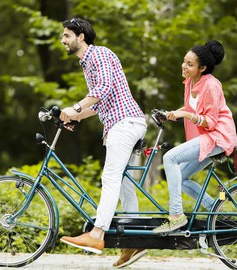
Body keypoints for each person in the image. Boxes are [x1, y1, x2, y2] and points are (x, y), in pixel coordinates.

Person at [58, 18, 147, 267]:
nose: (63, 40)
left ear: (81, 36)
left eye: (66, 35)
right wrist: (75, 115)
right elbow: (97, 103)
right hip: (125, 122)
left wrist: (75, 106)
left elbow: (104, 88)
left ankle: (97, 235)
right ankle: (135, 241)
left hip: (124, 122)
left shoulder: (99, 55)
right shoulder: (88, 64)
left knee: (110, 177)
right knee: (125, 185)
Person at [153, 40, 237, 234]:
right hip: (207, 137)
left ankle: (176, 216)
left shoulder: (211, 86)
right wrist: (172, 113)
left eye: (190, 64)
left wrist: (185, 115)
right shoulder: (190, 81)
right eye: (184, 61)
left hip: (219, 136)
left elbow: (211, 121)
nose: (184, 66)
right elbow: (192, 108)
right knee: (181, 177)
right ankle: (214, 209)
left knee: (170, 158)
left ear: (203, 68)